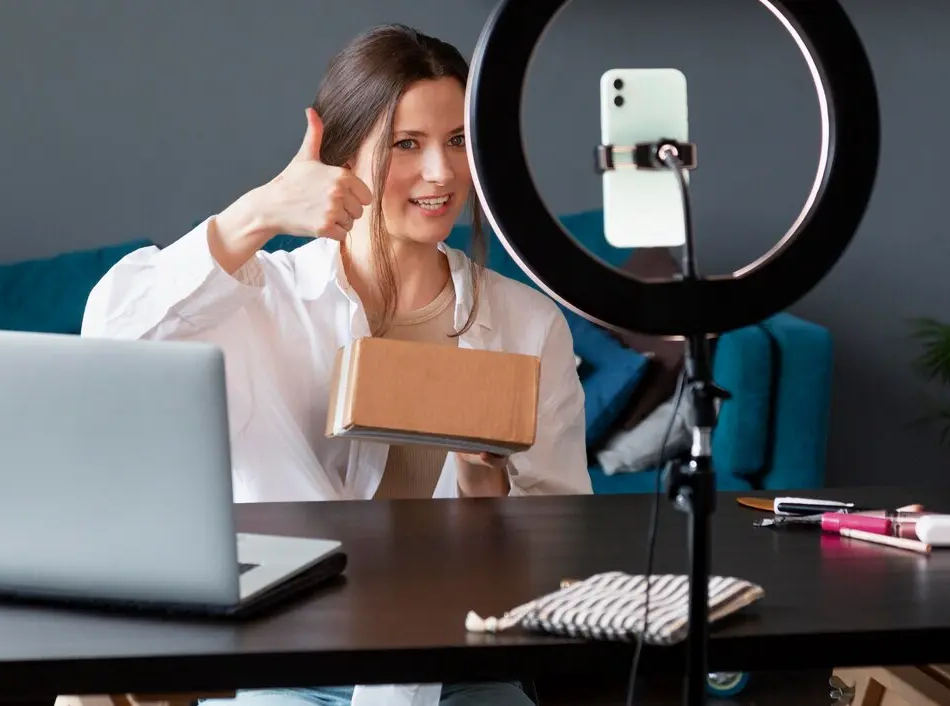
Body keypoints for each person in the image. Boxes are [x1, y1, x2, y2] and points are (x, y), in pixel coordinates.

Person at [82, 23, 591, 706]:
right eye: (407, 144)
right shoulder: (258, 298)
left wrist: (482, 487)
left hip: (453, 668)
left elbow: (560, 552)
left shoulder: (528, 326)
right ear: (343, 153)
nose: (441, 174)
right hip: (287, 658)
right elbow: (111, 343)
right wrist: (258, 213)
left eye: (458, 142)